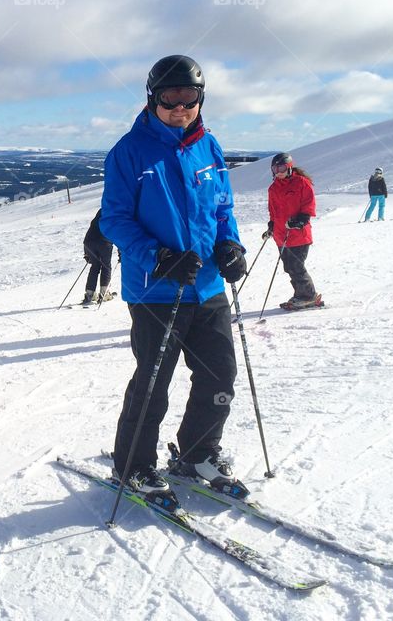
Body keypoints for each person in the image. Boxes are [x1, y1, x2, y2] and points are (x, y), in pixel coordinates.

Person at [100, 54, 247, 494]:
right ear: (153, 99)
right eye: (170, 97)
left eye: (190, 97)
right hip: (156, 289)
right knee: (152, 383)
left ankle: (197, 453)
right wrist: (158, 256)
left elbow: (223, 207)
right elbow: (114, 220)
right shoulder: (129, 152)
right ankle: (132, 466)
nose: (180, 107)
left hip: (207, 286)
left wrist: (231, 243)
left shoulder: (209, 145)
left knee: (219, 375)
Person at [263, 153, 322, 309]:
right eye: (275, 168)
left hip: (298, 234)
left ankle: (308, 296)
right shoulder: (273, 188)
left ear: (289, 167)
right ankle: (300, 294)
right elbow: (273, 211)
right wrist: (271, 226)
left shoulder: (302, 183)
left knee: (297, 267)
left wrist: (302, 219)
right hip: (281, 235)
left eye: (281, 168)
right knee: (289, 267)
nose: (278, 172)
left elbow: (309, 204)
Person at [82, 209, 115, 305]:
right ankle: (104, 293)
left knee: (95, 266)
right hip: (104, 241)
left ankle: (90, 293)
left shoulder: (101, 211)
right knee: (106, 266)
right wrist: (121, 252)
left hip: (89, 241)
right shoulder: (115, 211)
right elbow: (118, 231)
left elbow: (92, 228)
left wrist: (86, 253)